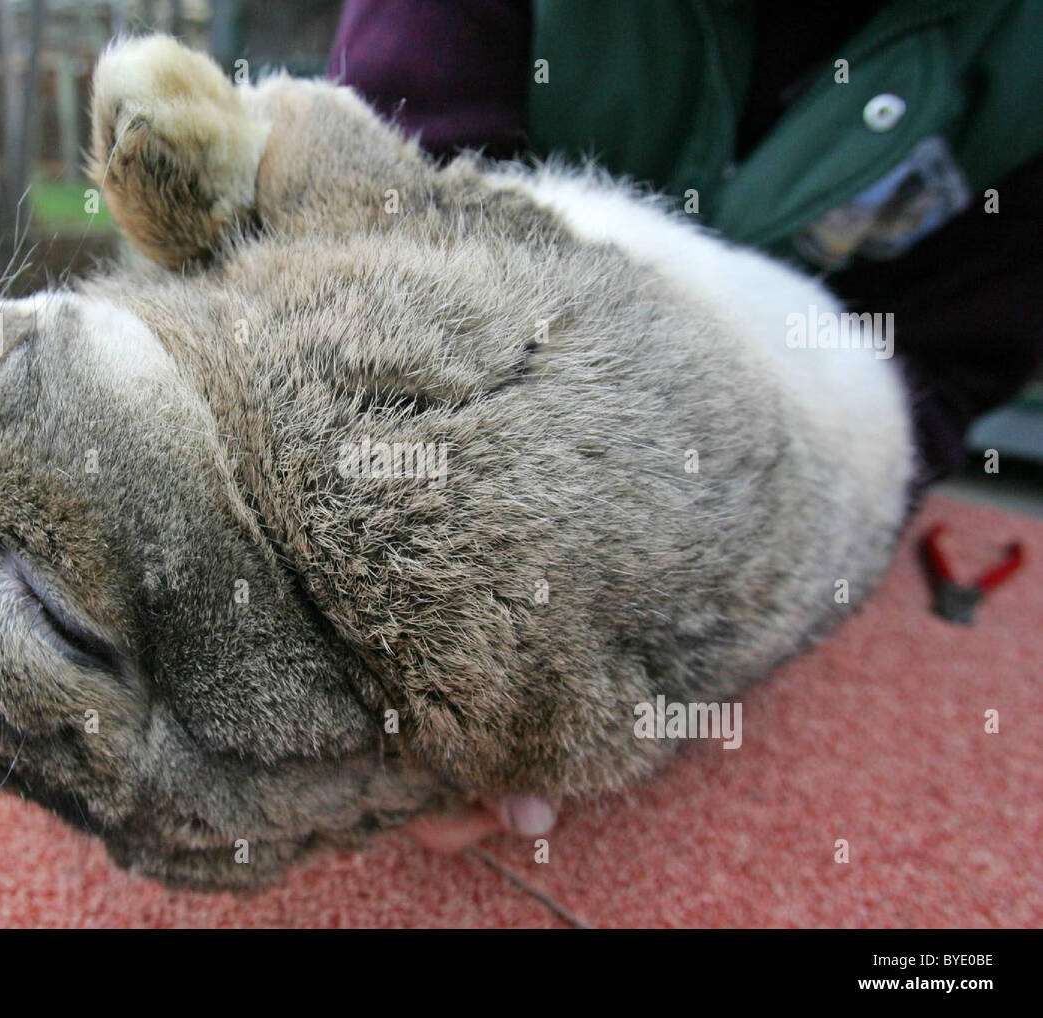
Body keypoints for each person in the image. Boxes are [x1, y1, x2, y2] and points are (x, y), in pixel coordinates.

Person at [327, 0, 1043, 849]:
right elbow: (386, 229)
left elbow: (941, 372)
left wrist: (696, 629)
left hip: (760, 478)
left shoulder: (1020, 70)